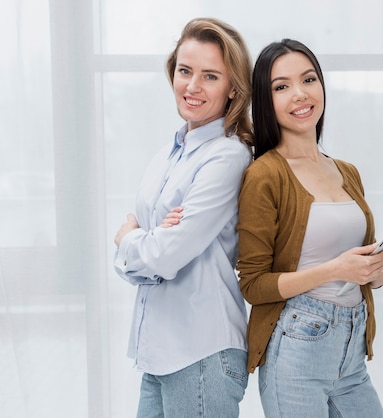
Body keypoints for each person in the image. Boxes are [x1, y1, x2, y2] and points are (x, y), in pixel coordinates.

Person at [236, 39, 383, 417]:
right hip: (296, 350)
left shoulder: (346, 171)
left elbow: (361, 266)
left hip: (351, 353)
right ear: (265, 100)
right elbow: (253, 285)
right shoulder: (265, 175)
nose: (300, 94)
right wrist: (336, 269)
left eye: (308, 79)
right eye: (281, 86)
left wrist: (378, 272)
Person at [113, 17, 253, 418]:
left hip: (201, 353)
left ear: (233, 90)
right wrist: (146, 245)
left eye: (210, 76)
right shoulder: (167, 155)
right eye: (185, 71)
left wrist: (129, 240)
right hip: (156, 351)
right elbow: (144, 260)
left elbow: (163, 255)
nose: (192, 86)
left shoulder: (227, 156)